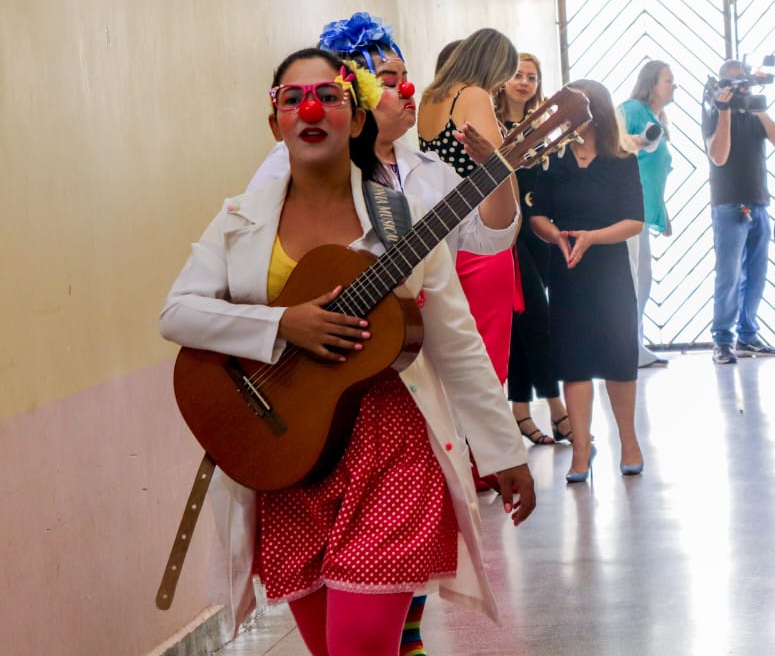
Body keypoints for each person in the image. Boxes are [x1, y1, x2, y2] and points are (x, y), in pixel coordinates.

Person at [159, 48, 534, 656]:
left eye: (330, 96)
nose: (311, 108)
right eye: (293, 98)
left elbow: (456, 339)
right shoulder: (239, 221)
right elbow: (177, 312)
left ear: (357, 119)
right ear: (275, 120)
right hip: (286, 454)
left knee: (361, 647)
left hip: (392, 449)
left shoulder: (402, 217)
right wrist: (284, 324)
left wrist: (502, 450)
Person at [246, 14, 517, 260]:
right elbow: (251, 240)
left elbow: (490, 238)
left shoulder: (430, 171)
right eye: (389, 82)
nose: (408, 89)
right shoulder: (294, 160)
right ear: (354, 94)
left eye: (405, 79)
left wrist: (494, 169)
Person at [530, 80, 646, 481]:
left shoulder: (619, 158)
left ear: (593, 110)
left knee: (618, 355)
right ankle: (581, 450)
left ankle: (628, 442)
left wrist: (593, 237)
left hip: (609, 266)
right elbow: (538, 215)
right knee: (573, 361)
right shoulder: (554, 159)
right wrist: (556, 236)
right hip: (567, 268)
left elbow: (635, 220)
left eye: (569, 108)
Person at [417, 29, 522, 383]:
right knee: (486, 362)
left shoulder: (431, 97)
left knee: (448, 359)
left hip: (441, 238)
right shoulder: (472, 95)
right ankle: (484, 440)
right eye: (501, 78)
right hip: (479, 235)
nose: (499, 89)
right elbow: (496, 170)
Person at [493, 53, 573, 445]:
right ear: (503, 81)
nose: (524, 82)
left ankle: (521, 412)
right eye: (517, 75)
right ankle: (558, 409)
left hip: (538, 233)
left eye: (532, 77)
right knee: (536, 315)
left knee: (524, 320)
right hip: (507, 232)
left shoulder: (543, 128)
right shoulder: (492, 126)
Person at [702, 60, 775, 364]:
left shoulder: (754, 115)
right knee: (729, 274)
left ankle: (747, 335)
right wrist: (725, 111)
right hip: (728, 204)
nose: (741, 89)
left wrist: (757, 106)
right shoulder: (713, 113)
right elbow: (719, 156)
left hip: (758, 202)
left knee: (756, 274)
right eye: (734, 84)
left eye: (744, 83)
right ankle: (722, 340)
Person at [618, 60, 677, 369]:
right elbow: (618, 149)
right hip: (627, 207)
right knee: (633, 279)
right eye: (669, 80)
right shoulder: (631, 110)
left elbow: (654, 171)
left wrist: (662, 212)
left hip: (643, 210)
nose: (674, 86)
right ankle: (626, 348)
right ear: (652, 83)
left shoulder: (656, 117)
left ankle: (632, 345)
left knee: (640, 278)